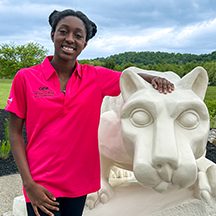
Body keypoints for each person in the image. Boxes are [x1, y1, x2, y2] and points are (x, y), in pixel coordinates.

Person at [5, 9, 174, 216]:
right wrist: (28, 183)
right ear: (52, 35)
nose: (70, 39)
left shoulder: (95, 77)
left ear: (85, 43)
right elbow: (14, 134)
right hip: (41, 183)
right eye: (63, 32)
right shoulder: (26, 78)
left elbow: (130, 77)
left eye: (78, 35)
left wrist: (155, 78)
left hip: (79, 183)